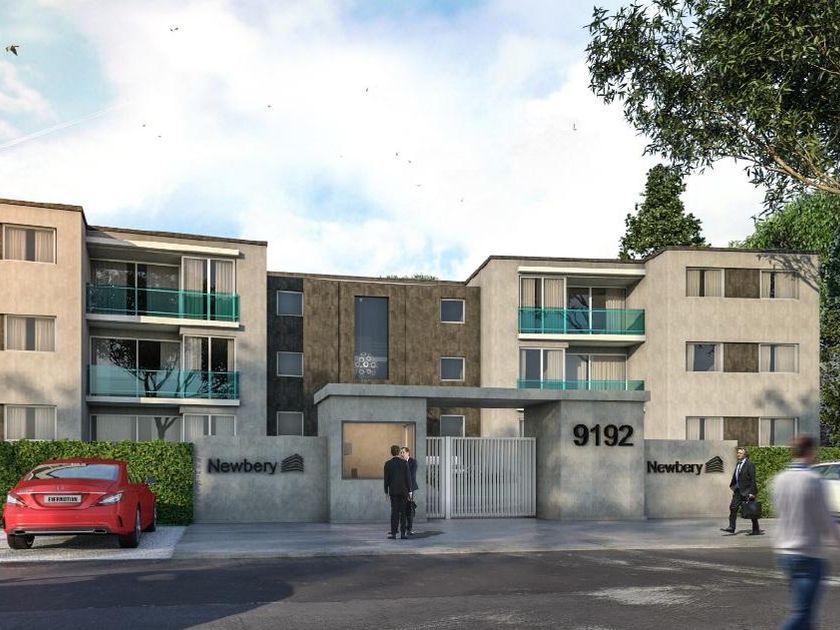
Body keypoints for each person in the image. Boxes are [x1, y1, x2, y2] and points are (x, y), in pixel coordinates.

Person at [772, 435, 840, 629]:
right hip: (808, 554)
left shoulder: (780, 479)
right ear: (810, 451)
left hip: (785, 552)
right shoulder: (813, 480)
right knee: (803, 614)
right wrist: (837, 539)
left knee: (807, 616)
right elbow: (824, 518)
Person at [721, 446, 762, 535]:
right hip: (738, 491)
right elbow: (736, 477)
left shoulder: (750, 465)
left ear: (745, 454)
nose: (738, 454)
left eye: (740, 453)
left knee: (752, 511)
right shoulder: (738, 464)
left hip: (748, 491)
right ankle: (731, 527)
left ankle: (756, 530)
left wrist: (752, 492)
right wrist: (733, 486)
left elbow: (753, 479)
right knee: (733, 507)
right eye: (738, 453)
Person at [384, 444, 412, 540]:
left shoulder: (388, 464)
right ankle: (403, 534)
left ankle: (393, 534)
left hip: (393, 492)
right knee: (403, 513)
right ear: (399, 452)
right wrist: (410, 491)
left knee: (394, 512)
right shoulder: (404, 463)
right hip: (404, 491)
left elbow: (386, 479)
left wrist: (386, 492)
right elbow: (408, 478)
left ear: (391, 452)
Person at [401, 446, 419, 535]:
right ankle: (403, 528)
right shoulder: (400, 462)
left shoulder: (413, 462)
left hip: (410, 488)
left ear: (408, 453)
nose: (402, 454)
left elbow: (411, 476)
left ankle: (409, 529)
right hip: (402, 489)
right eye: (401, 452)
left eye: (403, 452)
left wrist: (410, 491)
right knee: (403, 509)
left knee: (409, 508)